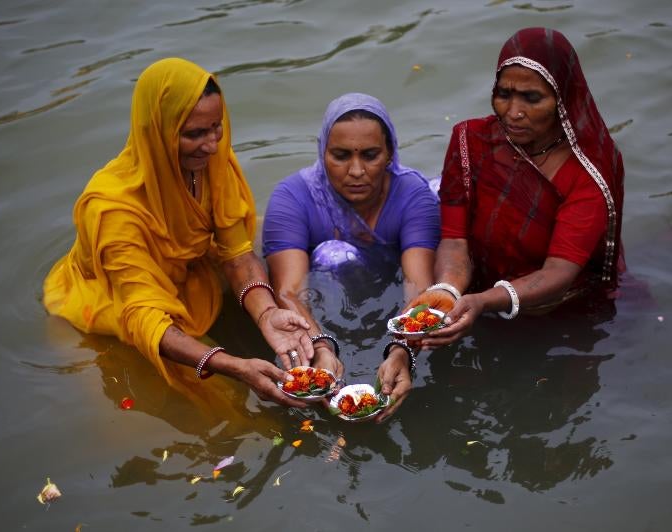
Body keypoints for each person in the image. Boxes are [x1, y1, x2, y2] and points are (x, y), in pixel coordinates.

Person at [43, 58, 313, 408]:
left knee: (270, 241)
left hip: (190, 270)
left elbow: (235, 251)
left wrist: (266, 315)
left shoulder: (210, 159)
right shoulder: (111, 209)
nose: (213, 145)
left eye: (215, 127)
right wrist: (231, 365)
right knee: (219, 408)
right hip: (121, 300)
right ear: (157, 130)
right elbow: (145, 317)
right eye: (194, 134)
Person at [412, 27, 625, 349]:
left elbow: (559, 272)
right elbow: (455, 240)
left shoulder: (588, 173)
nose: (513, 112)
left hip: (560, 316)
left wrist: (485, 301)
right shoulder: (470, 141)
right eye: (504, 94)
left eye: (532, 98)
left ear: (562, 99)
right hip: (476, 302)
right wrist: (447, 291)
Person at [262, 93, 441, 419]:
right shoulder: (292, 198)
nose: (356, 170)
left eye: (370, 155)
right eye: (341, 156)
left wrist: (401, 350)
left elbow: (420, 289)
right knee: (334, 255)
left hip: (389, 279)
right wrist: (320, 347)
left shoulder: (411, 195)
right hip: (331, 291)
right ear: (322, 152)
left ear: (389, 153)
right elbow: (287, 291)